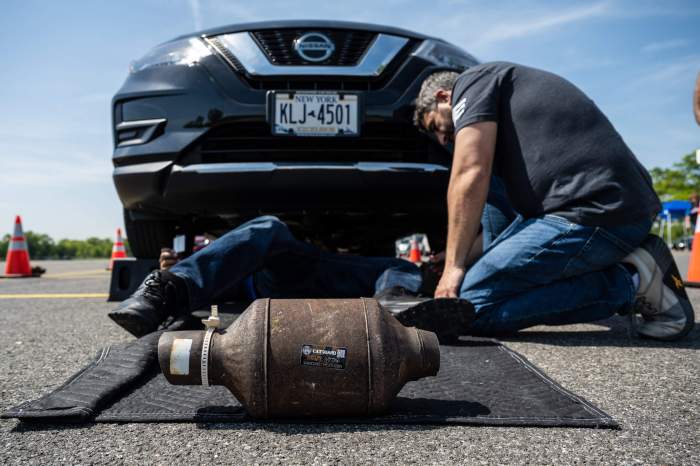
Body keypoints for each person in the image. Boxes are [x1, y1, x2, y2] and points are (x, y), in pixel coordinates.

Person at [413, 63, 695, 341]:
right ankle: (629, 265)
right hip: (599, 209)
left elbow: (470, 172)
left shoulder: (473, 82)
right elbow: (495, 222)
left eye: (437, 126)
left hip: (597, 209)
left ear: (443, 97)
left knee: (471, 306)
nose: (443, 139)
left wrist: (453, 268)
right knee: (472, 288)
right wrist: (457, 258)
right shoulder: (506, 112)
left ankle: (633, 280)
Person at [109, 216, 471, 340]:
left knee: (402, 267)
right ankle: (165, 291)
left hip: (336, 277)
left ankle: (393, 303)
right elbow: (227, 259)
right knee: (268, 228)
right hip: (277, 279)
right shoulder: (225, 257)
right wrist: (182, 268)